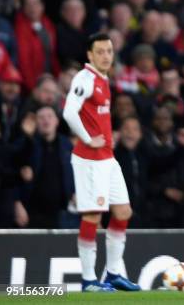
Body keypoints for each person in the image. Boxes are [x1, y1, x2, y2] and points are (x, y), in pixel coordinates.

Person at [62, 33, 140, 292]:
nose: (106, 55)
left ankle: (114, 273)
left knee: (122, 212)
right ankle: (88, 281)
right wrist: (87, 138)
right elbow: (68, 111)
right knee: (93, 216)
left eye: (109, 50)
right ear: (90, 55)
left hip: (107, 158)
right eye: (101, 51)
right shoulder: (84, 79)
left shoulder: (103, 78)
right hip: (89, 160)